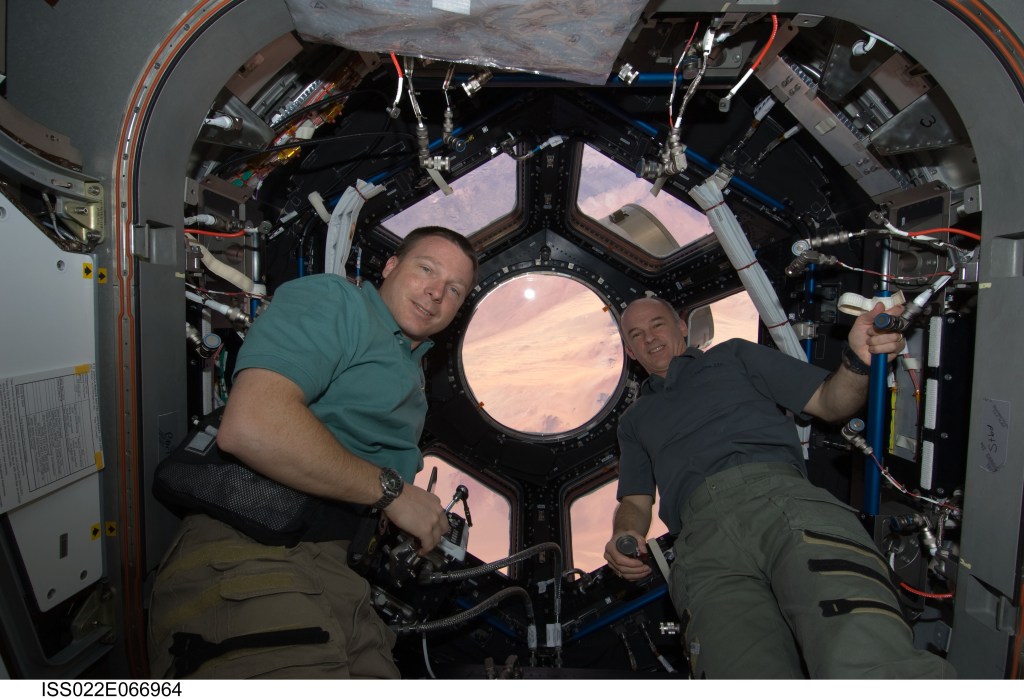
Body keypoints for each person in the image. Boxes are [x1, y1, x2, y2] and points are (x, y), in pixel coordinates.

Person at [148, 226, 478, 679]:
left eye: (455, 290)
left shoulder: (410, 370)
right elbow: (253, 425)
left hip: (344, 585)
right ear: (390, 266)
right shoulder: (338, 303)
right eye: (427, 269)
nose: (437, 292)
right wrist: (394, 493)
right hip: (259, 551)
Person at [603, 296, 955, 679]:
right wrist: (624, 532)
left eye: (657, 324)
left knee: (862, 650)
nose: (649, 338)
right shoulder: (633, 421)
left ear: (683, 326)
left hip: (782, 504)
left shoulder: (734, 357)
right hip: (701, 546)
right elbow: (636, 499)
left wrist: (857, 361)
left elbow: (829, 402)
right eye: (636, 335)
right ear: (630, 351)